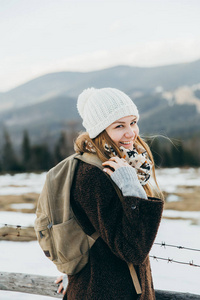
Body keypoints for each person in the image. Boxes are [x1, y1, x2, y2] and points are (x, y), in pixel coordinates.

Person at [56, 87, 164, 300]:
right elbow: (133, 249)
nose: (131, 132)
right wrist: (132, 189)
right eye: (119, 126)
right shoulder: (94, 175)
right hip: (103, 292)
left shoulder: (121, 163)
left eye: (133, 122)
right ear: (100, 130)